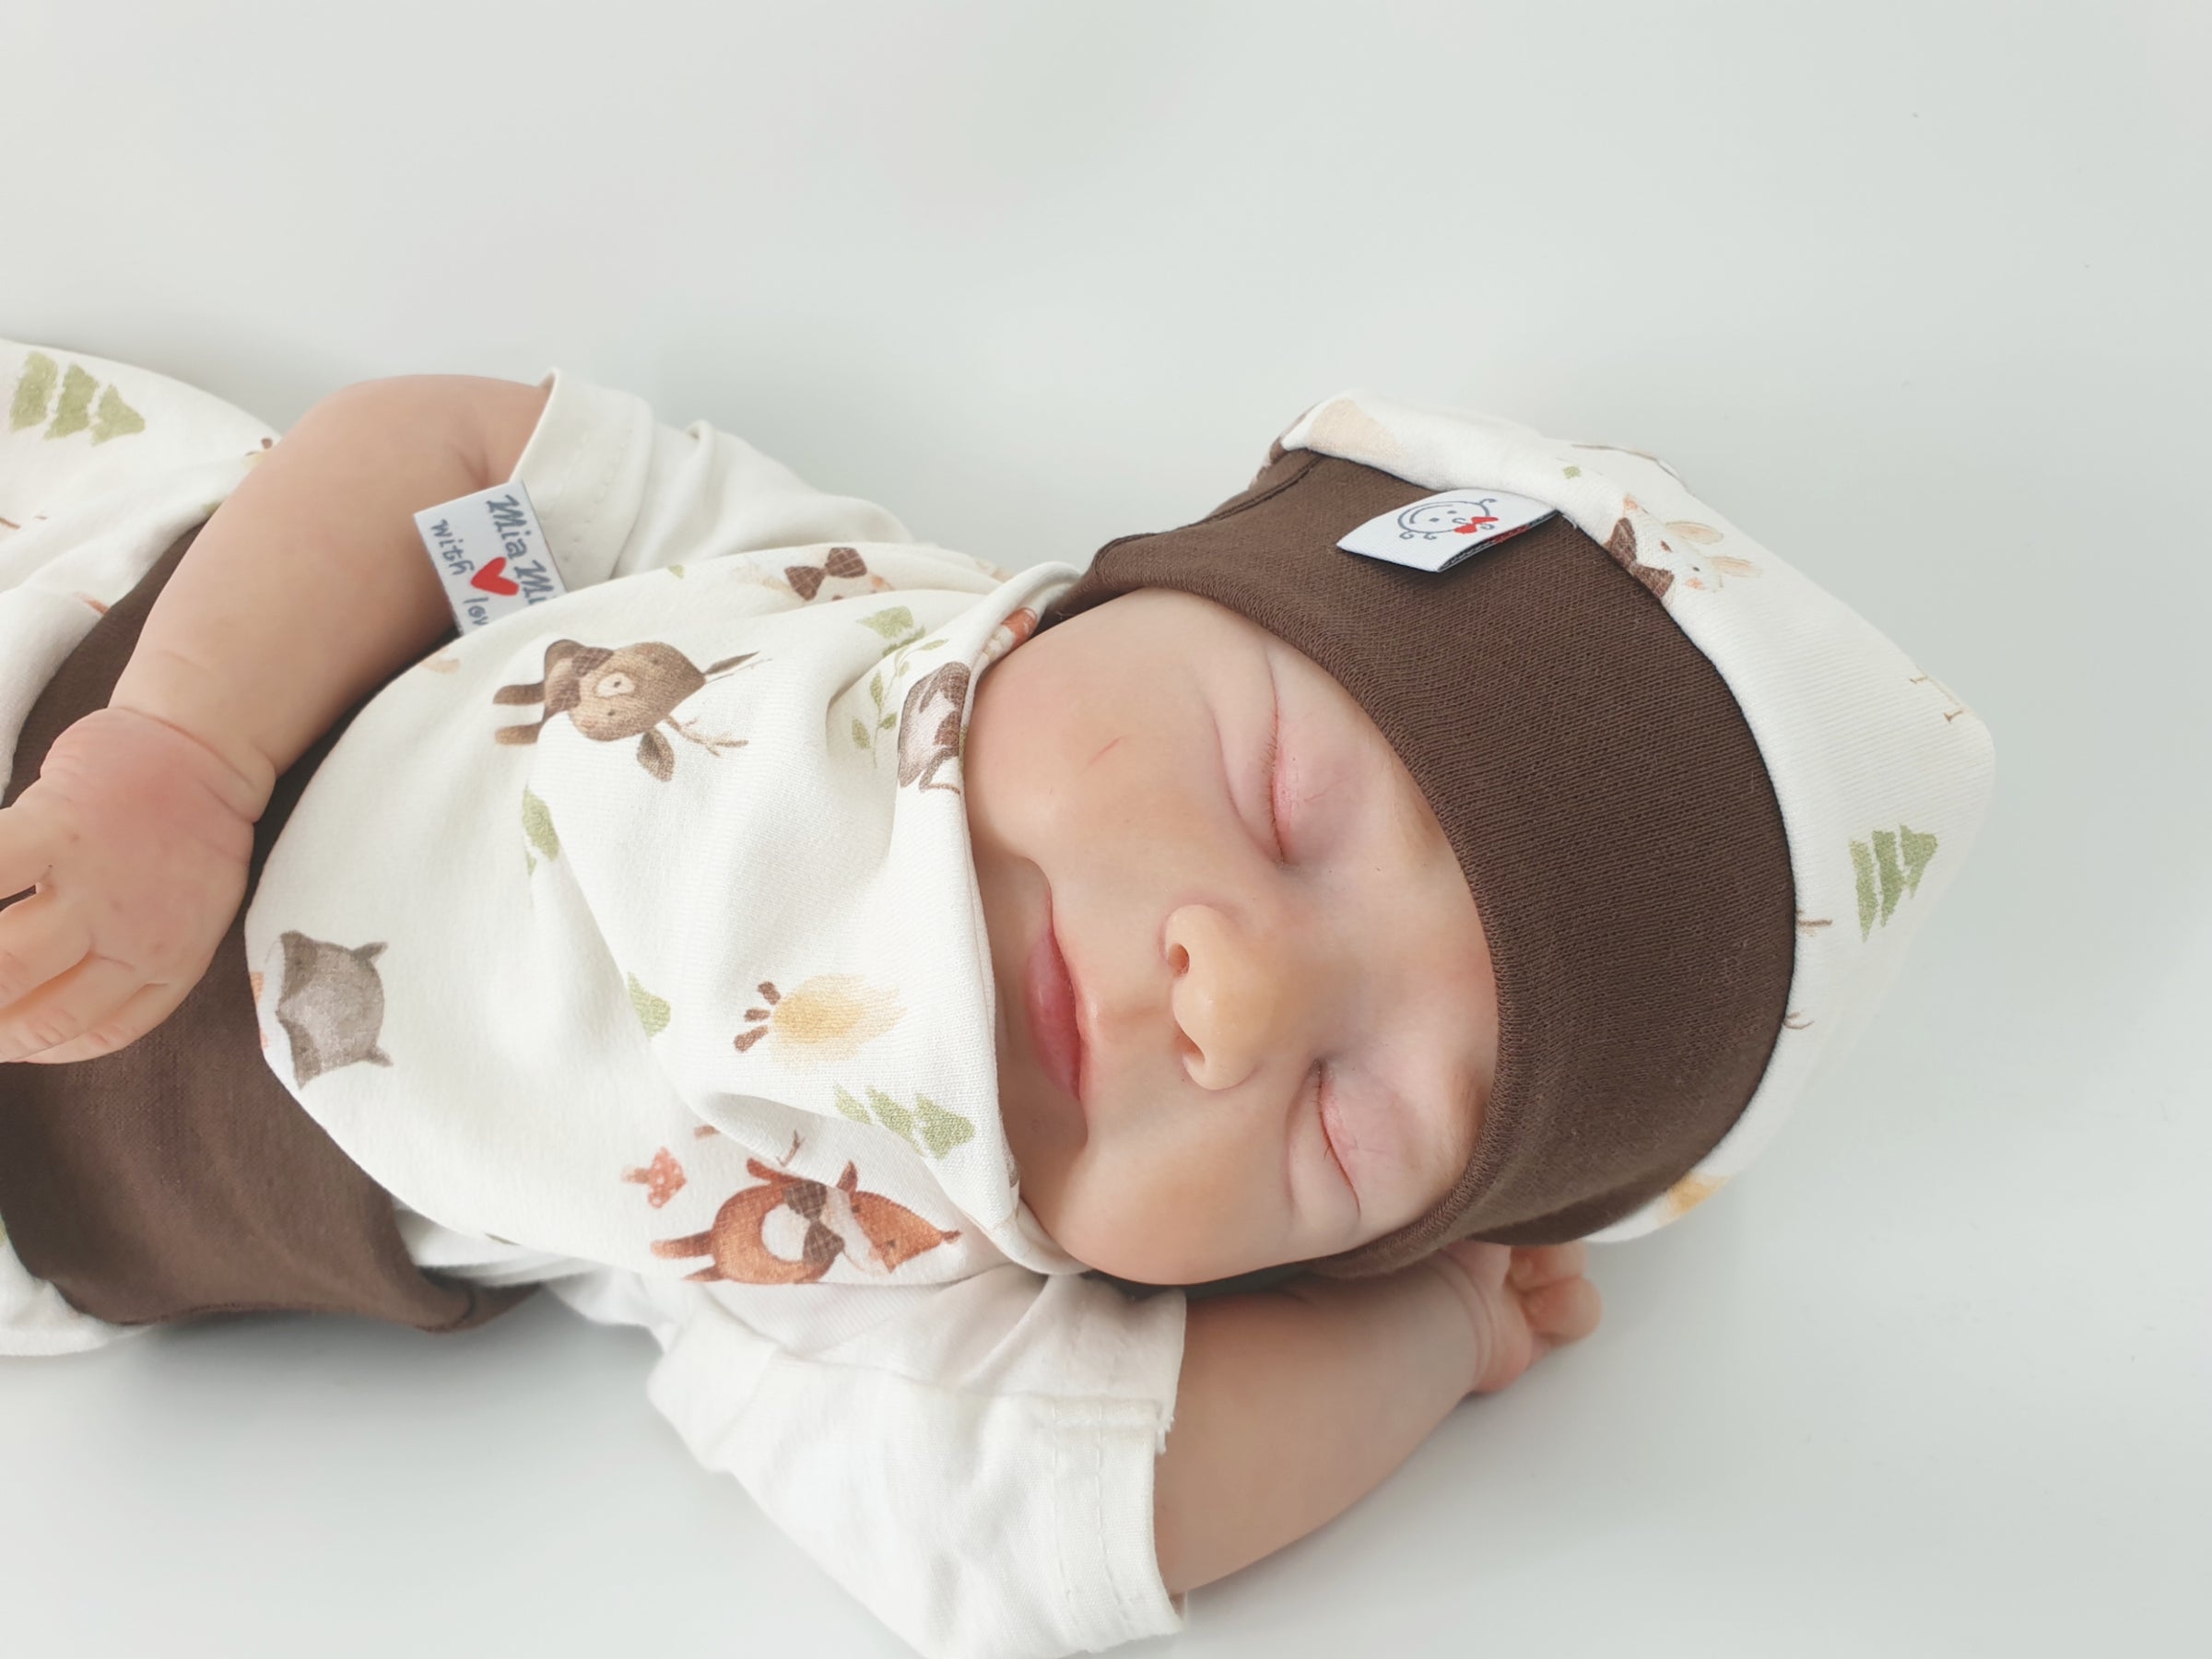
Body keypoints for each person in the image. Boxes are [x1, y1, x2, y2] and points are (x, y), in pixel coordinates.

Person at [0, 340, 1994, 1659]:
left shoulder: (877, 1254)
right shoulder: (818, 591)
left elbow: (1056, 1515)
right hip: (95, 606)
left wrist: (1432, 1333)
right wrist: (177, 755)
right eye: (1280, 801)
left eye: (1347, 1120)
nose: (1234, 995)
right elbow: (445, 457)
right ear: (1140, 591)